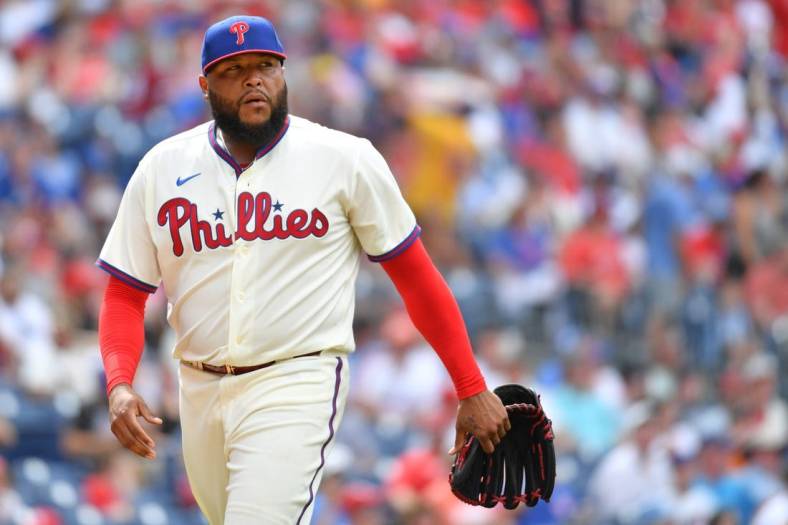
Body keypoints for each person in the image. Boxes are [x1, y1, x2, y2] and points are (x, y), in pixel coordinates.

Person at [96, 15, 509, 524]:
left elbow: (417, 278)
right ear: (205, 85)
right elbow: (124, 294)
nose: (253, 79)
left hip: (297, 379)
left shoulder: (344, 158)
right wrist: (118, 382)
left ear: (284, 74)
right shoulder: (162, 168)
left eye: (266, 66)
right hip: (197, 388)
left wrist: (469, 385)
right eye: (234, 70)